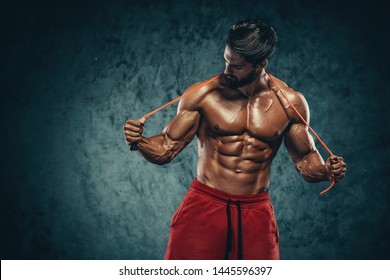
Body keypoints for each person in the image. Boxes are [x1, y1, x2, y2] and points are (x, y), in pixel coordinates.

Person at [123, 20, 346, 260]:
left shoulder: (290, 103)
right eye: (226, 59)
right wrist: (139, 141)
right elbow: (166, 148)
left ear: (261, 64)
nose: (227, 69)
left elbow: (305, 160)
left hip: (255, 210)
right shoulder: (203, 95)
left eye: (237, 66)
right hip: (204, 205)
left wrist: (325, 171)